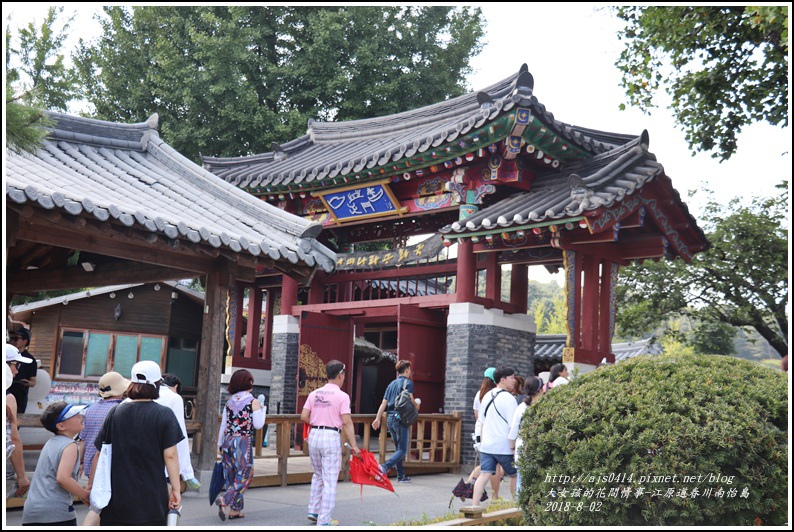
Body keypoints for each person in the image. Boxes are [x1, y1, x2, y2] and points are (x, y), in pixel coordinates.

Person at [94, 360, 183, 526]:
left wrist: (91, 485)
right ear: (157, 385)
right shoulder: (165, 414)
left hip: (116, 499)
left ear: (131, 384)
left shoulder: (115, 412)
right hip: (151, 499)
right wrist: (176, 489)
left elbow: (100, 452)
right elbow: (170, 455)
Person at [302, 360, 361, 527]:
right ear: (341, 375)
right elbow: (347, 422)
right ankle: (324, 519)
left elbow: (304, 416)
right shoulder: (342, 396)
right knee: (330, 479)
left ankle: (313, 510)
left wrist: (315, 422)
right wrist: (354, 446)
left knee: (318, 474)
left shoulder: (314, 394)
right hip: (330, 435)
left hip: (314, 435)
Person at [21, 402, 90, 525]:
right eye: (74, 415)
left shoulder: (51, 442)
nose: (81, 417)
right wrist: (85, 495)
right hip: (55, 513)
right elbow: (63, 478)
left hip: (32, 510)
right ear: (61, 426)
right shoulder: (70, 445)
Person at [216, 369, 266, 521]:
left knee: (232, 476)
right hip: (243, 441)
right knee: (245, 475)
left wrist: (219, 443)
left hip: (227, 441)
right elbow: (258, 425)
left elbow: (224, 425)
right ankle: (225, 499)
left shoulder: (229, 402)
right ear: (248, 383)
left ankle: (235, 511)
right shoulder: (253, 402)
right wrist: (263, 409)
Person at [471, 366, 518, 506]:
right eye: (512, 378)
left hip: (488, 445)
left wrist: (483, 442)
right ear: (503, 380)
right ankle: (516, 505)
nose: (514, 381)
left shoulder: (487, 395)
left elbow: (482, 420)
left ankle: (474, 506)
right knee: (515, 475)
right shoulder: (509, 399)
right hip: (504, 447)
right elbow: (513, 426)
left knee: (484, 474)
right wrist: (513, 446)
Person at [371, 359, 419, 483]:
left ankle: (401, 476)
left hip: (390, 418)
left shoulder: (391, 384)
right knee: (402, 449)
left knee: (399, 448)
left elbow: (383, 403)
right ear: (407, 370)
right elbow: (412, 400)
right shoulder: (408, 383)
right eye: (410, 370)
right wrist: (417, 404)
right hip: (401, 418)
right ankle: (384, 467)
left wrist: (377, 418)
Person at [158, 373, 200, 490]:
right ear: (176, 387)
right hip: (163, 455)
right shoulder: (174, 398)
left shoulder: (144, 394)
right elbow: (179, 432)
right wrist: (187, 472)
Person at [468, 368, 503, 498]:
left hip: (479, 432)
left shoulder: (479, 394)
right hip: (491, 432)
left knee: (487, 465)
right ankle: (495, 496)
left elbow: (477, 416)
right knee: (494, 466)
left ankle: (466, 487)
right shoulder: (494, 394)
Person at [508, 376, 545, 494]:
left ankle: (522, 509)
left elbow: (513, 431)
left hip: (523, 448)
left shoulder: (521, 407)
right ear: (540, 390)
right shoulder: (546, 407)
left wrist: (512, 448)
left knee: (522, 483)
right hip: (541, 449)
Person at [6, 344, 31, 498]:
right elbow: (13, 438)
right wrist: (21, 476)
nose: (17, 370)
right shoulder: (7, 398)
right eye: (15, 365)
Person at [8, 327, 38, 414]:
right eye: (11, 338)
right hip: (6, 390)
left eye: (16, 339)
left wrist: (26, 382)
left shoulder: (30, 359)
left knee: (14, 421)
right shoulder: (7, 354)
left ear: (25, 341)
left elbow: (33, 382)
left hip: (18, 395)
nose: (12, 341)